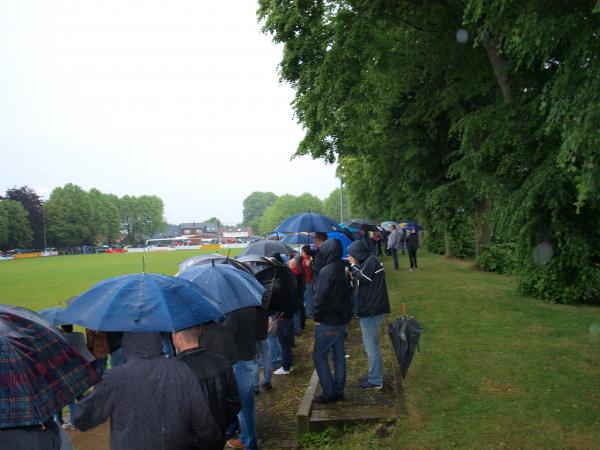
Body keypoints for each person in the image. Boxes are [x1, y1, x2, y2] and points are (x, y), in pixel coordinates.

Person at [72, 332, 221, 450]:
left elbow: (83, 418)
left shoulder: (116, 377)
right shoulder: (180, 369)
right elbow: (203, 422)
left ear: (127, 344)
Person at [172, 326, 241, 450]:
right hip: (217, 435)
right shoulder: (221, 361)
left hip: (189, 441)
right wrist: (221, 425)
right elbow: (234, 402)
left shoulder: (172, 371)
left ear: (179, 336)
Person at [312, 238, 352, 403]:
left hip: (328, 321)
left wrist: (317, 317)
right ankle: (339, 390)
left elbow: (320, 298)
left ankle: (329, 391)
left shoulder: (326, 271)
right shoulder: (344, 267)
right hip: (342, 320)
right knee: (339, 356)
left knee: (319, 355)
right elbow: (349, 292)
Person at [348, 240, 391, 390]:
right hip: (372, 308)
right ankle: (374, 374)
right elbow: (365, 276)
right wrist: (356, 267)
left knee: (371, 346)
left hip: (372, 310)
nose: (350, 257)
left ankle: (376, 380)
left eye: (351, 254)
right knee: (371, 345)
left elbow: (363, 279)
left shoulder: (372, 261)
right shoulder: (370, 260)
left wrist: (353, 266)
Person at [223, 307, 259, 450]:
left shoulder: (235, 312)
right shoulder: (250, 308)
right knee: (248, 406)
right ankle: (246, 438)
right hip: (249, 356)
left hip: (240, 361)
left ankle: (249, 444)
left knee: (243, 408)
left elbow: (226, 334)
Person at [301, 245, 314, 317]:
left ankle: (309, 311)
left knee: (308, 296)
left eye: (302, 251)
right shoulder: (308, 259)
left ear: (305, 252)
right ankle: (309, 310)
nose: (301, 252)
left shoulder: (306, 259)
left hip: (307, 280)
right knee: (309, 296)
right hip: (308, 280)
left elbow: (306, 271)